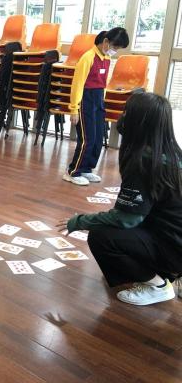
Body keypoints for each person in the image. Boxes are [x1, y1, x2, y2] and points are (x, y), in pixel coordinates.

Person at [58, 93, 182, 306]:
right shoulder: (171, 153)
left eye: (126, 112)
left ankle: (159, 286)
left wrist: (80, 221)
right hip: (174, 240)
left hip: (173, 247)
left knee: (101, 236)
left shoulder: (144, 162)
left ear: (138, 121)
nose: (121, 117)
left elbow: (126, 219)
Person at [63, 28, 130, 186]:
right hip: (85, 101)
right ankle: (73, 171)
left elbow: (103, 83)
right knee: (88, 139)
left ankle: (86, 168)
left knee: (98, 137)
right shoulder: (88, 57)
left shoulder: (107, 58)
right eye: (115, 47)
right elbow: (77, 84)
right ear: (106, 41)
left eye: (118, 49)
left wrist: (102, 101)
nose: (115, 51)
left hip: (98, 101)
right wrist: (74, 109)